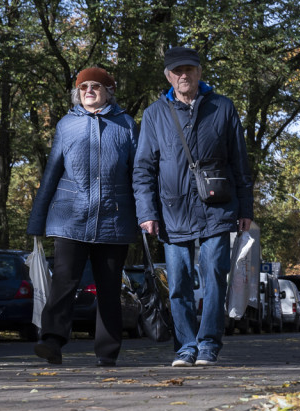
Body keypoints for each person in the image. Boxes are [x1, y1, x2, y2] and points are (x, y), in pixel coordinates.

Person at [133, 46, 254, 367]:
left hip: (218, 207)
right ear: (168, 76)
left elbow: (240, 163)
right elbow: (143, 167)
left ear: (199, 72)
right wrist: (146, 212)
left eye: (189, 69)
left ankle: (209, 344)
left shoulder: (222, 108)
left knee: (215, 275)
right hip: (172, 212)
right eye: (177, 71)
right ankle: (185, 346)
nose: (183, 75)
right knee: (178, 282)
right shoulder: (154, 114)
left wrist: (246, 209)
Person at [27, 67, 139, 367]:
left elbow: (139, 176)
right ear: (77, 93)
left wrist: (147, 215)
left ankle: (107, 352)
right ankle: (52, 341)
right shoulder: (66, 126)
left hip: (114, 221)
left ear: (109, 91)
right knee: (63, 282)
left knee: (109, 289)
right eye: (84, 87)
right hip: (69, 218)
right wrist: (37, 221)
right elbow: (51, 173)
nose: (89, 90)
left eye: (96, 86)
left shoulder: (126, 125)